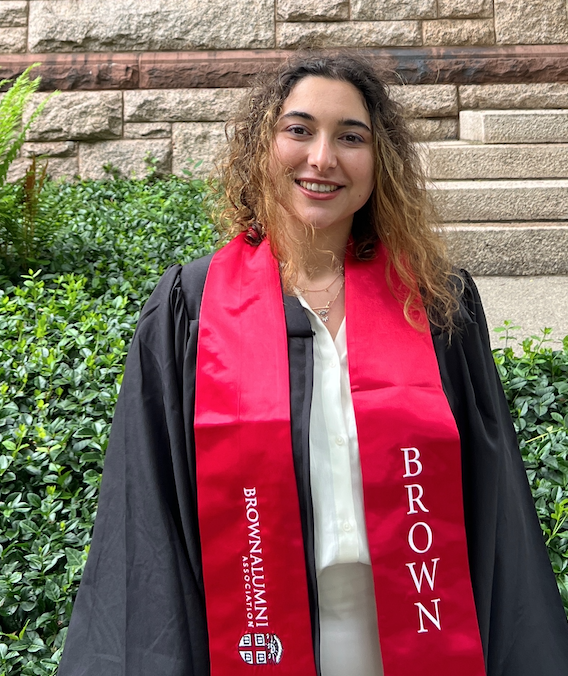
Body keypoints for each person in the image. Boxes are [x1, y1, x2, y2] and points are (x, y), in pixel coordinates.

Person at [57, 52, 568, 676]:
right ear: (262, 147)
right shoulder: (193, 310)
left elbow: (495, 500)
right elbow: (149, 513)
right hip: (257, 634)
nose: (322, 158)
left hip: (416, 632)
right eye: (298, 130)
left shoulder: (434, 302)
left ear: (380, 164)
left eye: (350, 137)